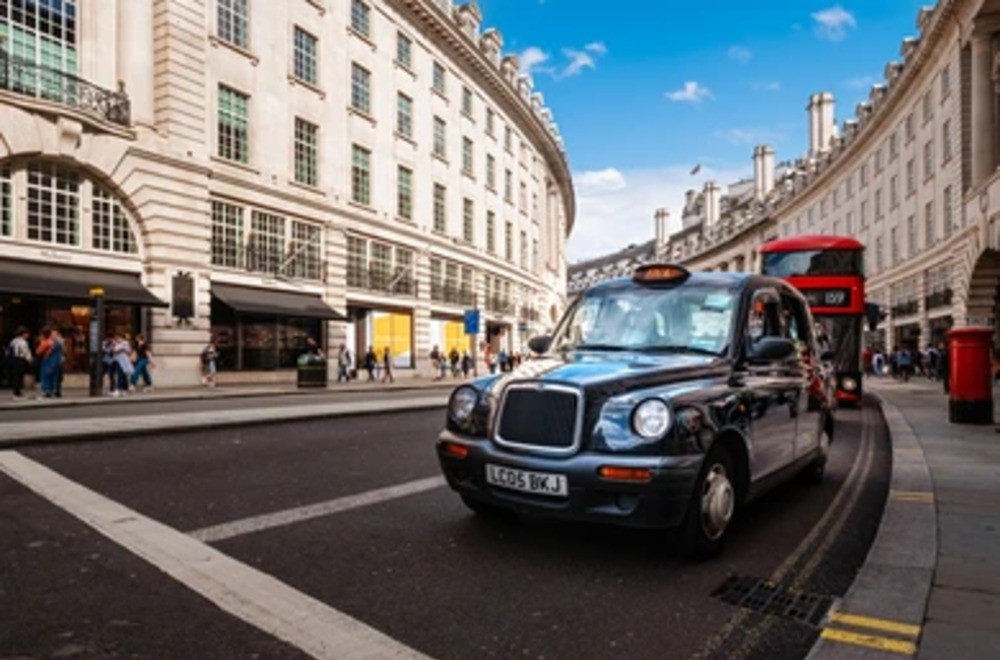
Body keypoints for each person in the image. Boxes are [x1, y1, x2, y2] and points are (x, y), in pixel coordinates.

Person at [6, 326, 33, 400]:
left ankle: (16, 391)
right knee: (19, 376)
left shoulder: (13, 341)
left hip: (13, 359)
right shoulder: (23, 342)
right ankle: (18, 392)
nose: (28, 335)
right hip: (20, 359)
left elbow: (8, 351)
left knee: (15, 375)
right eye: (27, 334)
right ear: (23, 334)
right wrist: (29, 359)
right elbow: (25, 351)